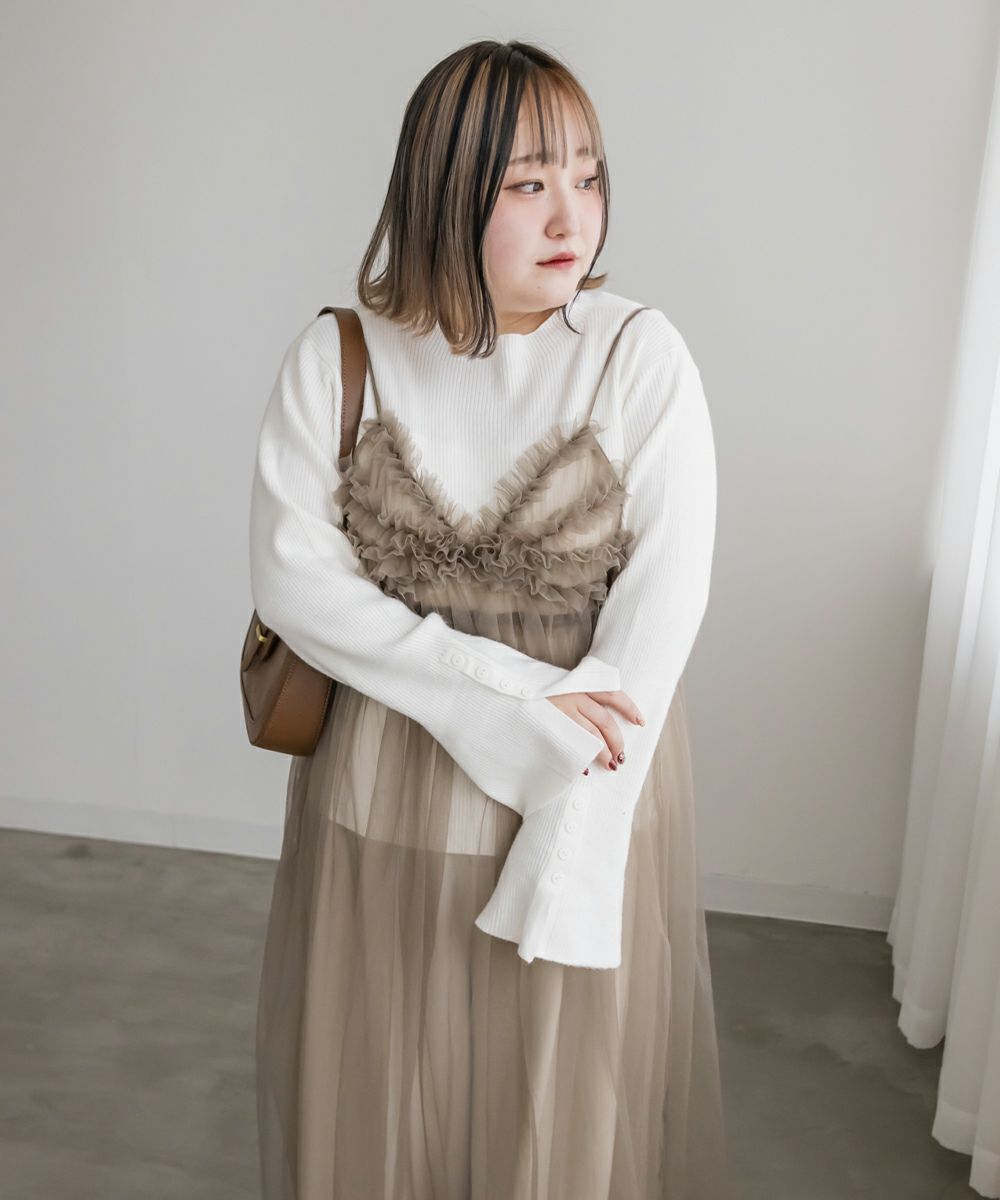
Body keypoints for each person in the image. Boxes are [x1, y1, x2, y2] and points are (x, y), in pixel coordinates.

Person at [248, 37, 728, 1200]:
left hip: (591, 767)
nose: (572, 216)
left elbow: (666, 597)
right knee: (387, 1071)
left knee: (557, 1097)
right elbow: (293, 579)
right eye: (527, 183)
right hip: (391, 768)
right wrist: (502, 698)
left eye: (588, 177)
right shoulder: (341, 355)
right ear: (443, 187)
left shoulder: (637, 355)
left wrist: (574, 796)